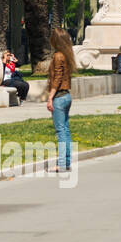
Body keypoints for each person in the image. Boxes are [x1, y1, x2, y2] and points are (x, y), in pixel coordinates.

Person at [45, 27, 75, 174]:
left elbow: (57, 78)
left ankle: (61, 164)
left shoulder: (58, 56)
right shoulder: (67, 55)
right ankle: (67, 161)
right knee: (66, 130)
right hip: (67, 96)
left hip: (59, 97)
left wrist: (50, 97)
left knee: (61, 131)